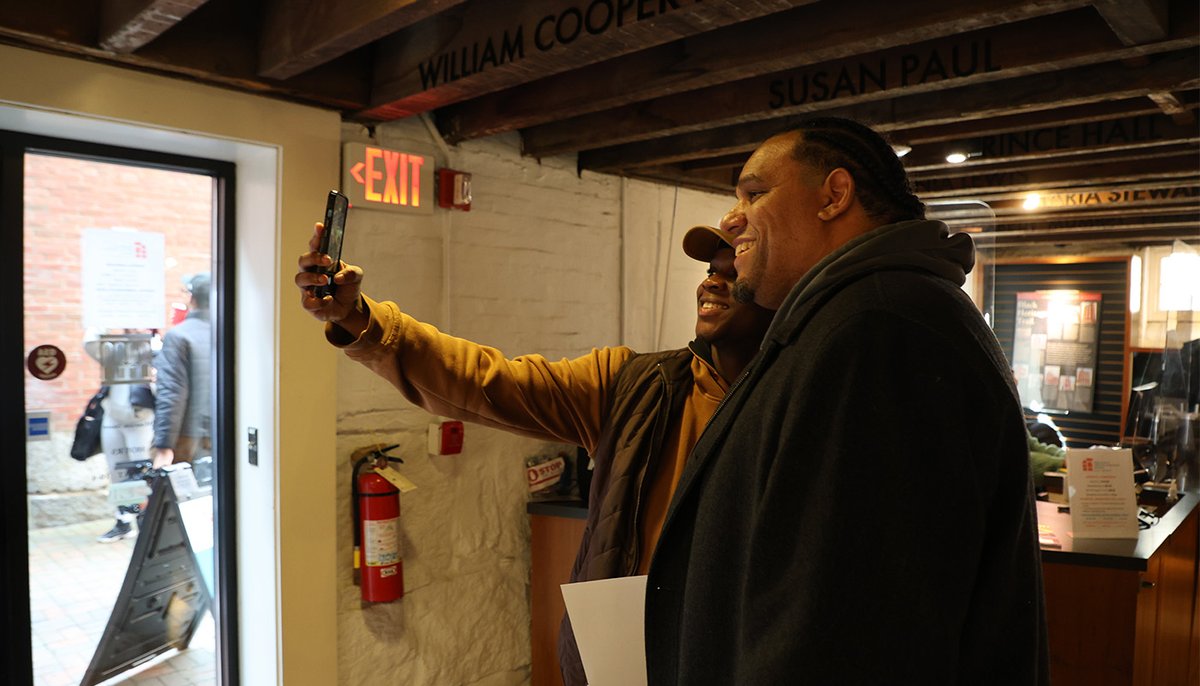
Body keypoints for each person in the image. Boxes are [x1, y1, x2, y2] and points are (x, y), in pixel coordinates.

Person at [644, 117, 1049, 684]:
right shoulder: (852, 320)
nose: (731, 219)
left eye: (755, 194)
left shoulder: (877, 331)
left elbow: (848, 635)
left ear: (834, 195)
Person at [295, 224, 774, 685]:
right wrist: (359, 318)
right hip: (626, 666)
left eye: (733, 271)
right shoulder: (637, 385)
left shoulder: (796, 407)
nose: (712, 281)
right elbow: (487, 381)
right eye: (711, 269)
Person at [84, 329, 157, 543]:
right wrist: (104, 322)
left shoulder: (155, 347)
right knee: (118, 471)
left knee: (141, 471)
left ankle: (145, 520)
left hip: (140, 418)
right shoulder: (113, 348)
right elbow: (89, 343)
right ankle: (124, 519)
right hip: (113, 416)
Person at [152, 272, 212, 467]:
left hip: (186, 436)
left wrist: (163, 445)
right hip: (219, 431)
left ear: (192, 298)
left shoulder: (179, 336)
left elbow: (172, 392)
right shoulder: (227, 332)